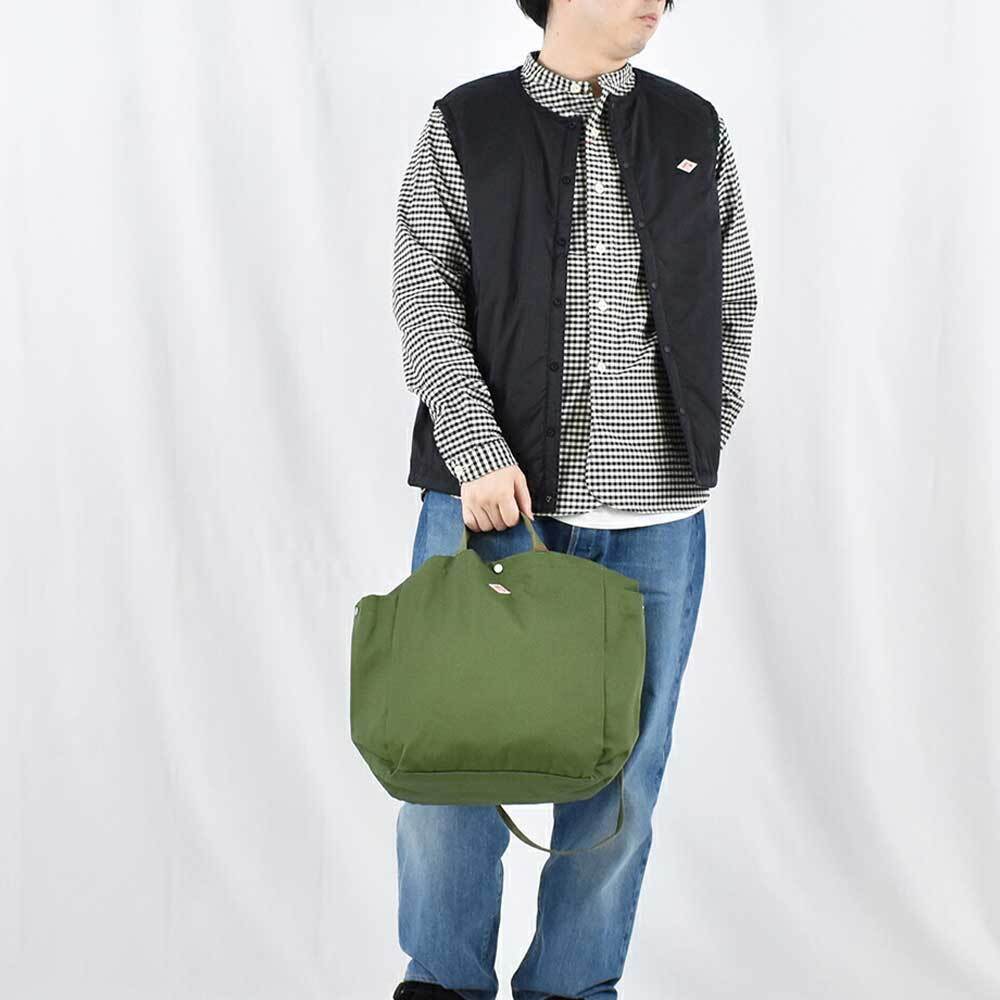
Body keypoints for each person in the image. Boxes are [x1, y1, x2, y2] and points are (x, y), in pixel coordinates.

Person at [389, 1, 757, 997]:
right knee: (451, 758)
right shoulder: (467, 122)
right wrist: (475, 448)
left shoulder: (692, 127)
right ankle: (442, 981)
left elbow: (731, 302)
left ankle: (573, 984)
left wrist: (698, 434)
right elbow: (425, 291)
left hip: (656, 522)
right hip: (493, 511)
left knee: (624, 774)